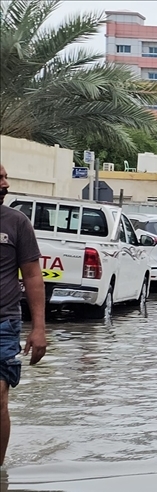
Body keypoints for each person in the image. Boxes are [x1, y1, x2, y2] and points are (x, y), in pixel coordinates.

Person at [0, 164, 47, 466]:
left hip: (4, 322)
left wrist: (39, 327)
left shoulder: (17, 223)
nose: (6, 183)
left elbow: (32, 275)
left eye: (5, 177)